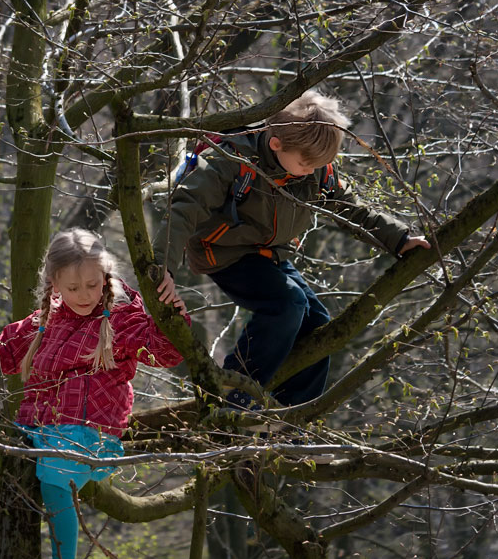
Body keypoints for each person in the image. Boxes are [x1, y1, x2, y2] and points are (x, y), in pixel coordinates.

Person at [0, 228, 188, 559]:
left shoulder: (122, 317)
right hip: (38, 428)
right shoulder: (45, 320)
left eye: (92, 284)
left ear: (106, 276)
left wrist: (170, 310)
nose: (85, 294)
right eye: (73, 287)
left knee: (55, 477)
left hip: (90, 431)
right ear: (54, 284)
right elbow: (2, 348)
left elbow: (167, 350)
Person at [152, 90, 430, 410]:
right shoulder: (230, 159)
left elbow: (351, 209)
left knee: (318, 326)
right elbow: (185, 208)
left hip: (271, 254)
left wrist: (399, 239)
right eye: (305, 164)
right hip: (225, 253)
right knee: (287, 304)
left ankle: (291, 413)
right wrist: (164, 268)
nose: (311, 172)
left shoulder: (314, 167)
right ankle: (234, 392)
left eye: (319, 165)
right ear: (276, 144)